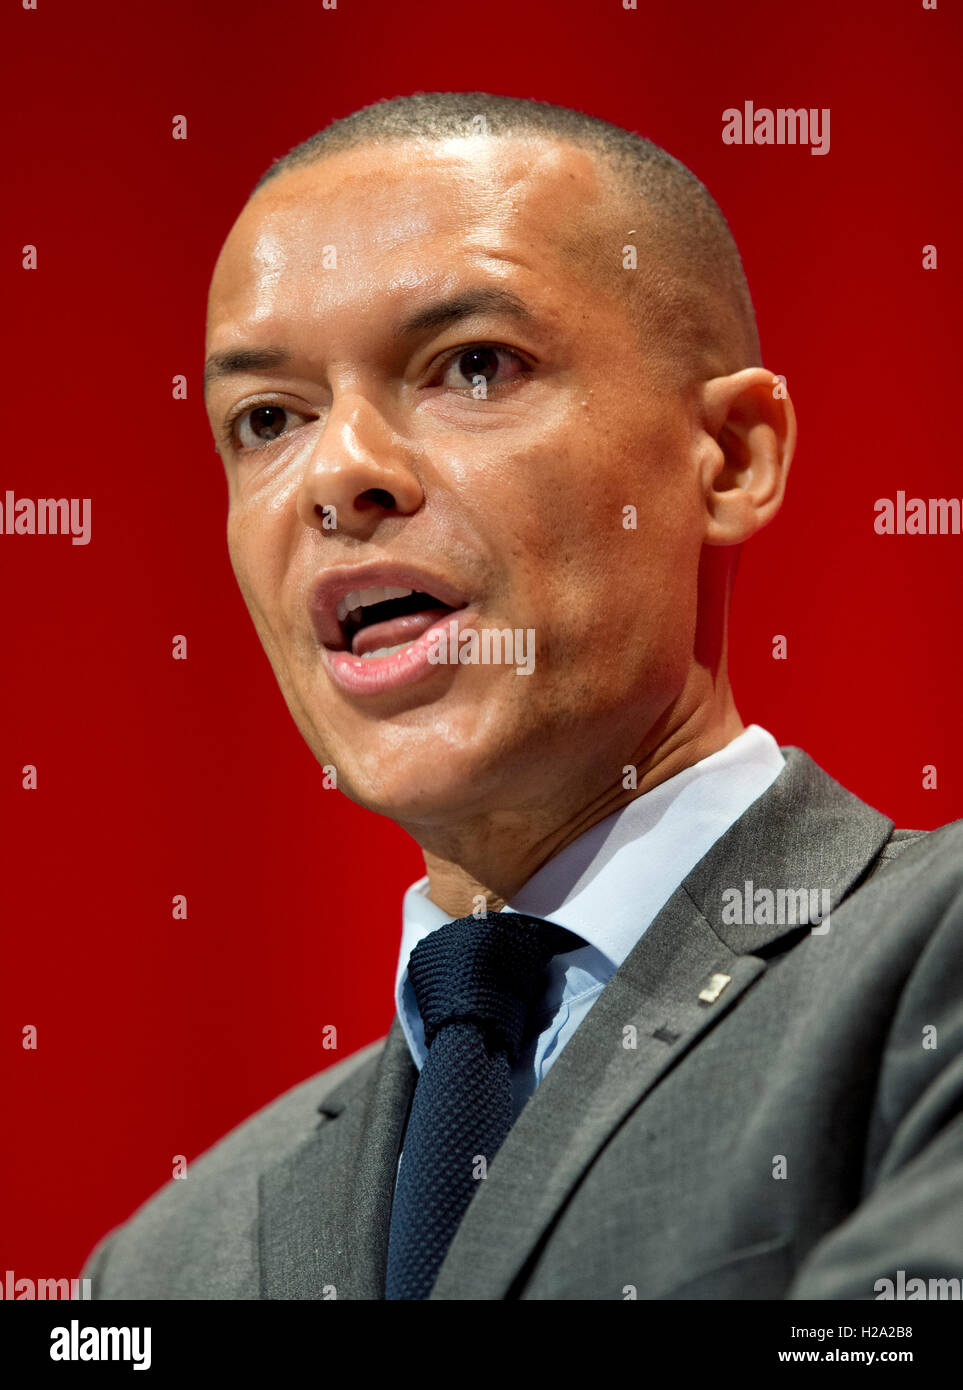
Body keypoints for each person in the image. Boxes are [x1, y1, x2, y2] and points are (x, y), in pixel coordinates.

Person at [83, 93, 963, 1300]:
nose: (340, 475)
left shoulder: (929, 966)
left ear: (734, 456)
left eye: (473, 367)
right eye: (269, 418)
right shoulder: (159, 1267)